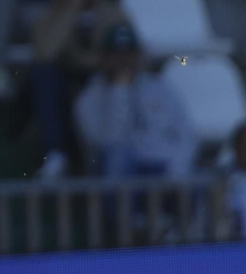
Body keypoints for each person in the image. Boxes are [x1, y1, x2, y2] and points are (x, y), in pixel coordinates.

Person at [28, 0, 128, 176]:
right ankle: (56, 156)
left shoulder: (113, 11)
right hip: (64, 85)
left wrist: (95, 63)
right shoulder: (51, 12)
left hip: (102, 84)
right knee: (44, 75)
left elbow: (133, 54)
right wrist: (71, 9)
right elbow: (45, 53)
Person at [73, 23, 196, 178]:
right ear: (103, 57)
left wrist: (177, 169)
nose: (123, 60)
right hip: (120, 173)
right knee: (117, 156)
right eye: (116, 53)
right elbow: (110, 142)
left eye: (128, 53)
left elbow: (185, 132)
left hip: (163, 167)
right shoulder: (89, 97)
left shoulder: (159, 88)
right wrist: (120, 90)